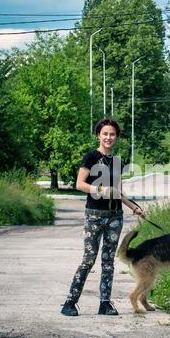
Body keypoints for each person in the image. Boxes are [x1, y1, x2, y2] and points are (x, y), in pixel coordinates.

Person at [61, 117, 145, 317]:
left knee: (108, 262)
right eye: (105, 133)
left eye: (112, 134)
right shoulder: (91, 157)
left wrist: (134, 207)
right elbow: (79, 184)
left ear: (116, 137)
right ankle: (70, 303)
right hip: (94, 216)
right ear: (98, 135)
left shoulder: (117, 161)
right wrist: (99, 188)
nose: (108, 137)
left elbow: (118, 191)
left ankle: (105, 304)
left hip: (115, 216)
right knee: (88, 259)